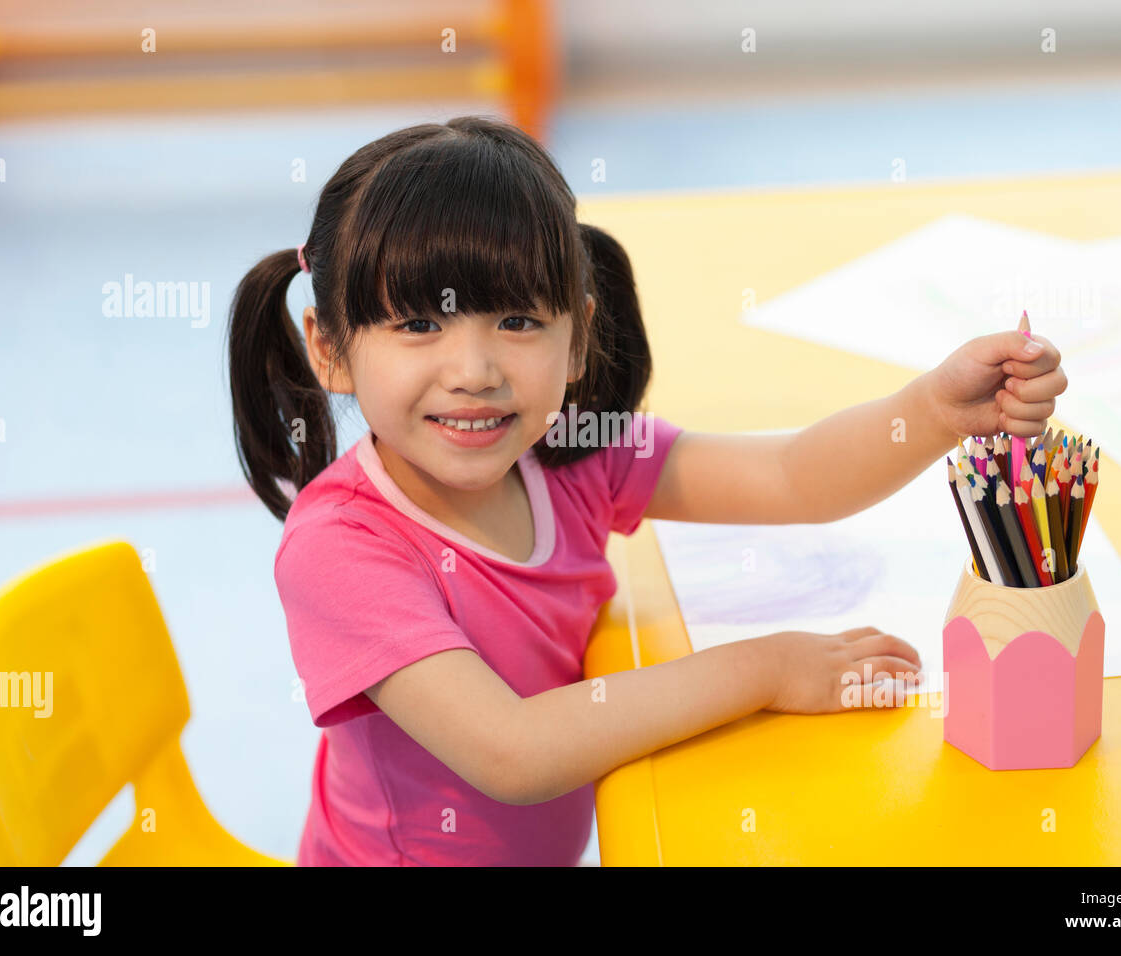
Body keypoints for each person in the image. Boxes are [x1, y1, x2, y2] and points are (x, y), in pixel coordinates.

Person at [225, 115, 1067, 865]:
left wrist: (931, 411)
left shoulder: (571, 452)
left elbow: (790, 477)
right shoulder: (341, 547)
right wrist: (767, 668)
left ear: (579, 337)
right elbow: (514, 753)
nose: (474, 372)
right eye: (417, 326)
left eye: (517, 322)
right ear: (329, 348)